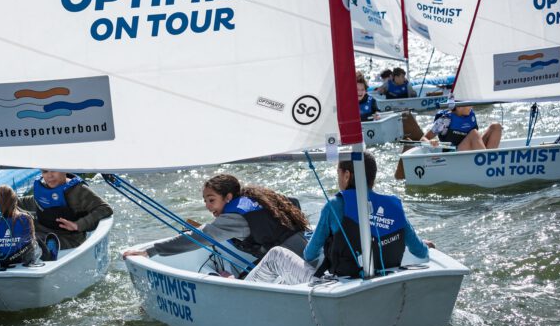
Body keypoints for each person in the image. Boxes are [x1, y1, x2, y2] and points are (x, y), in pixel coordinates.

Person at [245, 152, 433, 284]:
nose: (338, 178)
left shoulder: (335, 205)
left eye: (338, 173)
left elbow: (309, 254)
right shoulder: (394, 205)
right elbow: (420, 252)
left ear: (347, 175)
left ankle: (243, 291)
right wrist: (423, 244)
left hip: (344, 285)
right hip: (385, 281)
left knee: (276, 255)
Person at [122, 174, 310, 261]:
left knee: (232, 279)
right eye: (205, 200)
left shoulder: (235, 218)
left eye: (211, 200)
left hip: (291, 264)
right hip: (307, 254)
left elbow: (201, 237)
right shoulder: (258, 200)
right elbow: (293, 202)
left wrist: (151, 251)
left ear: (228, 197)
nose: (207, 206)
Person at [19, 171, 113, 253]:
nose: (49, 176)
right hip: (40, 232)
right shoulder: (42, 188)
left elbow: (105, 208)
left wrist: (78, 224)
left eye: (54, 171)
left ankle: (43, 251)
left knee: (38, 243)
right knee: (21, 238)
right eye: (45, 172)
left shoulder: (78, 190)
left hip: (68, 238)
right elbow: (26, 202)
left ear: (64, 170)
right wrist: (6, 199)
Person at [421, 105, 502, 151]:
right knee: (474, 133)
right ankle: (486, 161)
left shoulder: (470, 115)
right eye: (468, 104)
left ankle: (490, 158)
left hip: (469, 149)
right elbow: (423, 138)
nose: (472, 106)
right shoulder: (445, 120)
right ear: (459, 107)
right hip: (454, 153)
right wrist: (430, 142)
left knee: (496, 127)